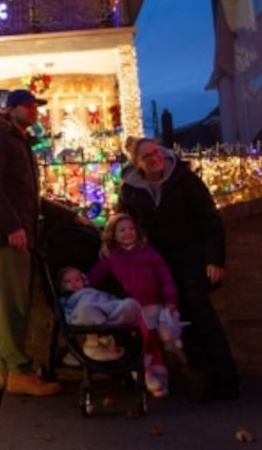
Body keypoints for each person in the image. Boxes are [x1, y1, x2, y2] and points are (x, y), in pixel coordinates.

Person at [118, 136, 240, 402]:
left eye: (156, 152)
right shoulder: (131, 190)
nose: (155, 158)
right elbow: (125, 224)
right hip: (159, 262)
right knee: (180, 320)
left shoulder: (184, 179)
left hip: (192, 256)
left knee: (200, 311)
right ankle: (202, 377)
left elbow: (209, 218)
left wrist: (215, 259)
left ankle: (226, 376)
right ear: (138, 163)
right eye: (147, 156)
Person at [0, 88, 74, 397]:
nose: (34, 111)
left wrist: (71, 217)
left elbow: (29, 198)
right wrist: (13, 226)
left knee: (12, 305)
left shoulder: (19, 142)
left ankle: (7, 371)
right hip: (9, 237)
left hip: (17, 233)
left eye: (36, 106)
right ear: (11, 109)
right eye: (27, 106)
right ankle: (19, 371)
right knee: (14, 306)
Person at [88, 213, 179, 397]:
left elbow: (164, 276)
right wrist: (80, 285)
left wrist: (170, 300)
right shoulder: (113, 258)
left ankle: (160, 377)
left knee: (156, 341)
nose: (128, 233)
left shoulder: (149, 253)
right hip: (133, 308)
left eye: (131, 229)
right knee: (141, 341)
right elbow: (95, 277)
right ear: (113, 235)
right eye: (122, 230)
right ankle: (145, 374)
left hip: (153, 305)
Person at [57, 266, 140, 362]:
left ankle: (113, 319)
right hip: (86, 310)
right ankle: (104, 324)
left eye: (77, 280)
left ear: (84, 281)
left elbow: (107, 298)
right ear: (61, 286)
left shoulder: (92, 290)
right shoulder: (66, 299)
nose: (73, 283)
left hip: (105, 309)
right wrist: (70, 318)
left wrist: (113, 302)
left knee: (130, 303)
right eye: (67, 282)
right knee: (85, 308)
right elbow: (67, 313)